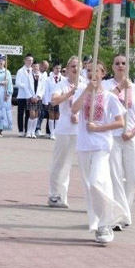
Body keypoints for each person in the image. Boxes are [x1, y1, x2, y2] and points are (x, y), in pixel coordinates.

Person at [70, 61, 127, 244]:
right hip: (84, 145)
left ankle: (106, 223)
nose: (91, 74)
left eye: (95, 71)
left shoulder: (110, 97)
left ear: (103, 74)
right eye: (88, 71)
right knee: (88, 187)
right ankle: (98, 223)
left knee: (97, 181)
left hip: (102, 145)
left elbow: (120, 123)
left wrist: (99, 128)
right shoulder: (82, 91)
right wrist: (87, 89)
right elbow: (74, 109)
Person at [103, 55, 135, 229]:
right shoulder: (106, 85)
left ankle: (125, 210)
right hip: (113, 136)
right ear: (112, 66)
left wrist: (133, 131)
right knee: (115, 176)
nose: (120, 66)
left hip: (130, 137)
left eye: (123, 63)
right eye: (117, 63)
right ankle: (118, 216)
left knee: (134, 175)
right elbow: (103, 104)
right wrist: (119, 88)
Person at [48, 55, 84, 208]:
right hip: (64, 129)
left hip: (82, 130)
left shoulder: (85, 84)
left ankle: (92, 200)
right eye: (73, 66)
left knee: (85, 165)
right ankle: (56, 196)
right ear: (67, 69)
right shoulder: (61, 84)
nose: (75, 69)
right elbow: (54, 100)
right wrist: (70, 93)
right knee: (61, 164)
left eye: (78, 66)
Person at [36, 61, 65, 140]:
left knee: (57, 116)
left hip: (60, 100)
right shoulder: (48, 79)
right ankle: (52, 133)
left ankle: (56, 132)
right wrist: (46, 101)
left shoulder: (63, 79)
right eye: (57, 68)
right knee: (51, 116)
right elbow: (46, 90)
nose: (58, 70)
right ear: (53, 68)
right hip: (51, 100)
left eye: (59, 68)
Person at [15, 54, 36, 137]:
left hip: (30, 96)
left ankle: (28, 130)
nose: (30, 62)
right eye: (28, 60)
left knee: (28, 113)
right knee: (20, 113)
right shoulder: (20, 71)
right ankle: (20, 130)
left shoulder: (33, 71)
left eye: (31, 60)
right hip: (22, 95)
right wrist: (26, 86)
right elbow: (17, 83)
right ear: (25, 60)